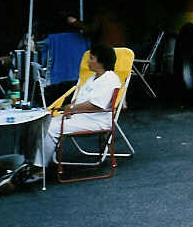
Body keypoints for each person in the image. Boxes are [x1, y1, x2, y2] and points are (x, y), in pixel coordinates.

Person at [22, 44, 121, 181]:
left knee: (52, 128)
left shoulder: (109, 79)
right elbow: (82, 100)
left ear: (101, 62)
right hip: (81, 117)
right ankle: (29, 161)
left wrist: (72, 109)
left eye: (91, 58)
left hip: (95, 120)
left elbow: (96, 105)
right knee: (39, 121)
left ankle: (39, 169)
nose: (88, 61)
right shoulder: (93, 78)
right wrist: (71, 110)